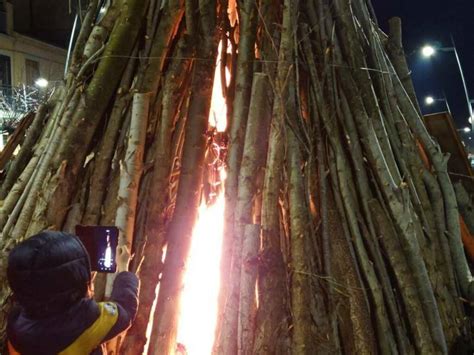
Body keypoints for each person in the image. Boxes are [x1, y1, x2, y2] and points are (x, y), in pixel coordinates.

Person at [6, 230, 139, 354]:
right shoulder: (87, 321)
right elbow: (126, 310)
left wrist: (79, 284)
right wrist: (123, 268)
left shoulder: (16, 322)